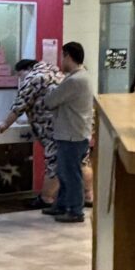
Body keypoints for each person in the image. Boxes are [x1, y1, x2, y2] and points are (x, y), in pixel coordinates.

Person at [0, 58, 64, 209]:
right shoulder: (57, 74)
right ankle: (88, 195)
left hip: (50, 128)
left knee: (53, 164)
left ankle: (46, 199)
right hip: (68, 126)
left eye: (20, 75)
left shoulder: (34, 77)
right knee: (80, 163)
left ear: (26, 70)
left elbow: (20, 105)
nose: (21, 79)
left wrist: (5, 123)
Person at [43, 41, 94, 223]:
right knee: (65, 172)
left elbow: (50, 101)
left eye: (62, 56)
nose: (60, 61)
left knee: (70, 174)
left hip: (71, 134)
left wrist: (51, 91)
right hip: (76, 133)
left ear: (68, 56)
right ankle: (62, 204)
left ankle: (75, 210)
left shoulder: (74, 81)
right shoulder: (83, 76)